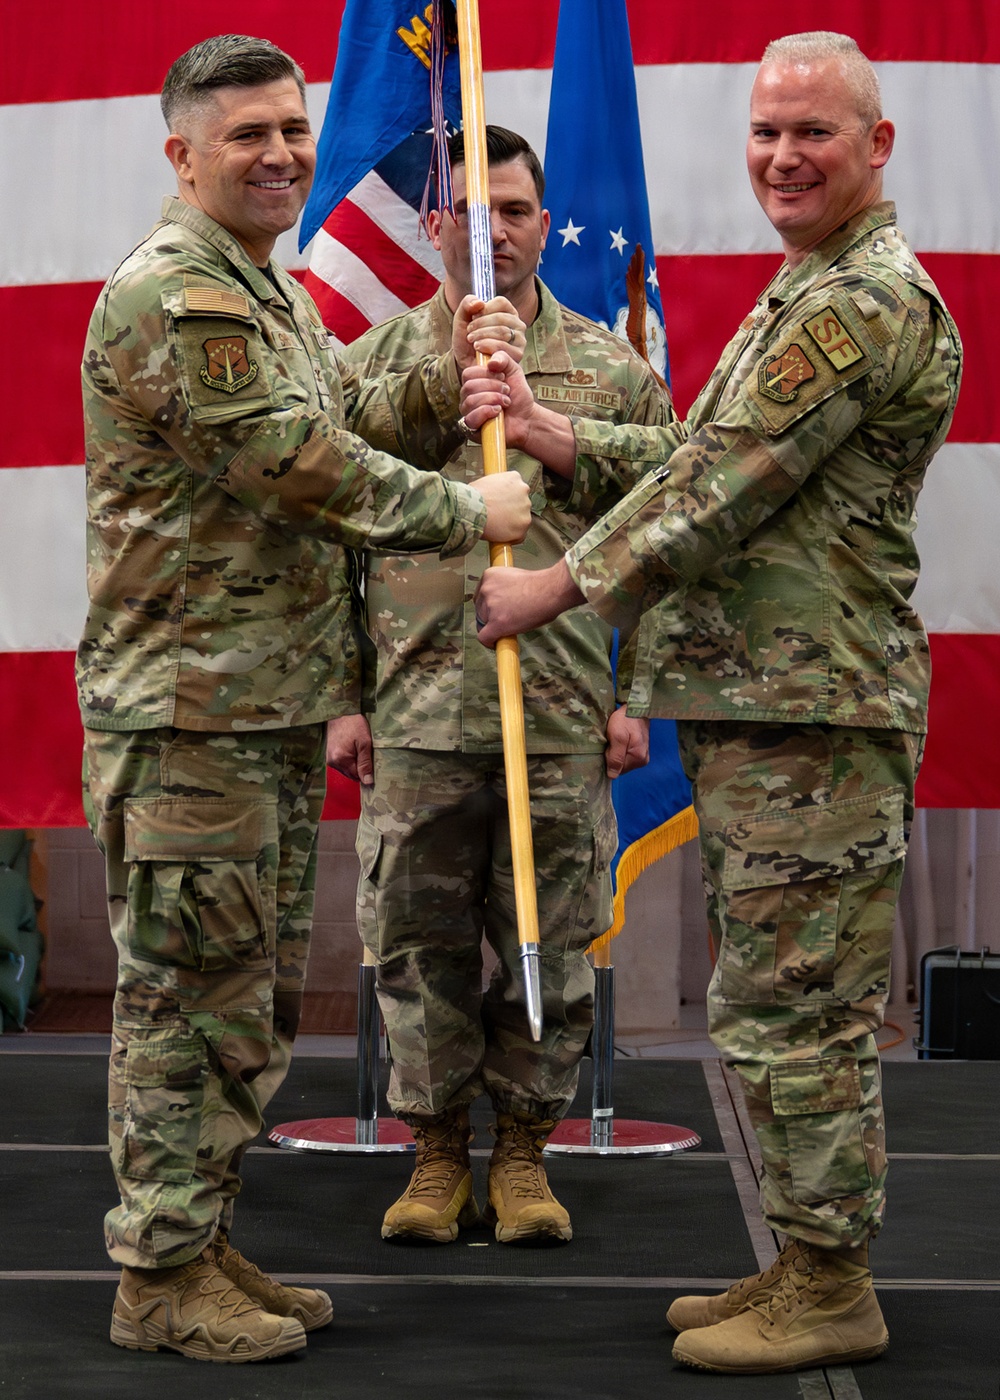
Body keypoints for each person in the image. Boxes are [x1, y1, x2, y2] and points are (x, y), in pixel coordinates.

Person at [467, 33, 962, 1374]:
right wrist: (569, 439)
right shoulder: (811, 285)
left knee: (799, 1017)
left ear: (877, 146)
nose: (783, 157)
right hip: (773, 706)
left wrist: (553, 588)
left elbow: (718, 493)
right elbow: (699, 451)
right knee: (773, 1004)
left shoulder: (859, 302)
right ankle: (802, 1259)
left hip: (815, 716)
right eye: (765, 133)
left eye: (813, 133)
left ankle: (831, 1285)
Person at [78, 35, 530, 1365]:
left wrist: (453, 359)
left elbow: (344, 415)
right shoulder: (181, 297)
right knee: (186, 1000)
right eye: (246, 135)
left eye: (292, 127)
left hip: (255, 706)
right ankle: (156, 1271)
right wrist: (468, 505)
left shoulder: (263, 292)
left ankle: (199, 1237)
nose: (281, 152)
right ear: (182, 156)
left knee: (250, 998)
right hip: (190, 718)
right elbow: (297, 467)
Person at [327, 125, 672, 1245]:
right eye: (471, 213)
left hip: (562, 711)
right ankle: (435, 1157)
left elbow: (667, 530)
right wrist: (341, 695)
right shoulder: (373, 368)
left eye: (516, 211)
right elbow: (322, 541)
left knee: (552, 940)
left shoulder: (613, 371)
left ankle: (522, 1151)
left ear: (540, 218)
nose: (496, 235)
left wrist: (639, 694)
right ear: (434, 226)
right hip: (414, 712)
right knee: (417, 944)